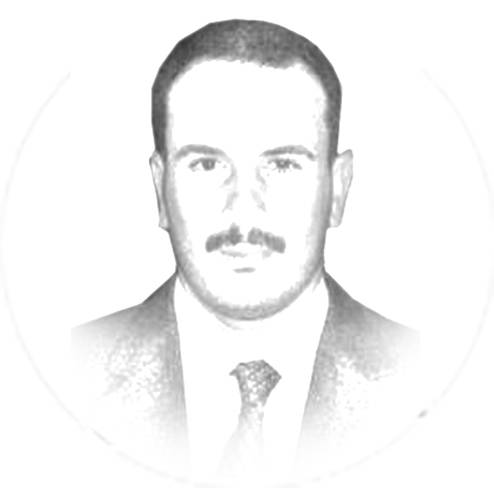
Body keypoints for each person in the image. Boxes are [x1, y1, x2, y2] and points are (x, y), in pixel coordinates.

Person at [72, 19, 420, 484]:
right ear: (160, 190)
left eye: (282, 165)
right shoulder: (59, 377)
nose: (243, 210)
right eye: (207, 164)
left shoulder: (435, 385)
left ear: (337, 189)